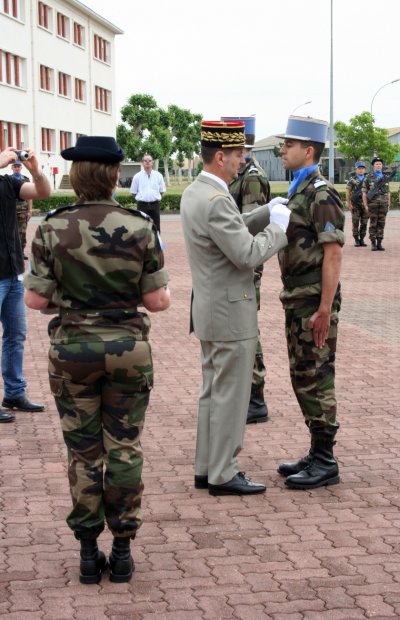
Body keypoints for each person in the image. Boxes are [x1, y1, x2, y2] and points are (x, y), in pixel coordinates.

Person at [24, 136, 170, 584]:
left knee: (83, 453)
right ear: (113, 176)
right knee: (124, 448)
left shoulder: (52, 227)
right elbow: (157, 300)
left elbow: (33, 299)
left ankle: (89, 554)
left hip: (72, 352)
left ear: (76, 176)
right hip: (128, 351)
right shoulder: (141, 225)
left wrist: (69, 303)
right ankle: (122, 551)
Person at [180, 120, 290, 496]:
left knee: (212, 390)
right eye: (240, 154)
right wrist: (277, 229)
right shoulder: (216, 199)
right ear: (221, 155)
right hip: (230, 310)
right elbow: (245, 253)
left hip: (211, 308)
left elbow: (228, 229)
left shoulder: (198, 192)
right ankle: (224, 473)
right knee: (231, 393)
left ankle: (207, 467)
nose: (243, 160)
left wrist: (261, 214)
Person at [275, 116, 345, 490]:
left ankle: (325, 459)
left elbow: (332, 255)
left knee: (316, 376)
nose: (283, 149)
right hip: (297, 298)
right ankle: (316, 450)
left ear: (309, 150)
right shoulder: (298, 190)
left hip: (312, 302)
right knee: (303, 376)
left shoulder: (321, 194)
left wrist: (324, 308)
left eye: (290, 144)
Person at [226, 116, 271, 424]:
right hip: (237, 263)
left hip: (246, 265)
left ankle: (255, 397)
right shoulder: (240, 175)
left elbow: (250, 224)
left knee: (247, 329)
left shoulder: (252, 177)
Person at [0, 147, 50, 423]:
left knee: (15, 335)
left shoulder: (9, 183)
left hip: (12, 273)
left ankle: (14, 392)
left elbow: (43, 192)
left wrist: (35, 170)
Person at [130, 154, 166, 232]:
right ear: (142, 162)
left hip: (155, 205)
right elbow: (133, 192)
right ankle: (143, 244)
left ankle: (156, 243)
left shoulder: (158, 176)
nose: (147, 162)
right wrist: (141, 198)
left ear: (152, 162)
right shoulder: (137, 176)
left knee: (156, 227)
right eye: (145, 161)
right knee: (142, 227)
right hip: (142, 206)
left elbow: (162, 191)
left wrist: (155, 198)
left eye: (149, 160)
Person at [362, 157, 390, 251]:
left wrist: (388, 203)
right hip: (372, 204)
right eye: (376, 164)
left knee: (381, 223)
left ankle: (379, 243)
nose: (378, 165)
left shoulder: (385, 178)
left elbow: (388, 192)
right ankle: (373, 243)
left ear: (382, 165)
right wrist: (365, 205)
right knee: (373, 223)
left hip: (384, 204)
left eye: (380, 164)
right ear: (373, 166)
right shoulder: (368, 177)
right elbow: (364, 192)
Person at [9, 160, 33, 260]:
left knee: (22, 233)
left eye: (18, 166)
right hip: (10, 211)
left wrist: (30, 210)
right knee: (10, 232)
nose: (17, 168)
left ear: (21, 167)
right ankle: (11, 253)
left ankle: (21, 252)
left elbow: (29, 196)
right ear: (12, 168)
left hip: (23, 211)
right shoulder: (8, 180)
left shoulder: (25, 180)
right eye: (15, 166)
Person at [345, 162, 368, 247]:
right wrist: (349, 204)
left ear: (364, 169)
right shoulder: (352, 179)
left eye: (362, 168)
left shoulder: (368, 179)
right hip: (355, 205)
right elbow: (347, 193)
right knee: (355, 223)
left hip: (365, 205)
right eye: (359, 168)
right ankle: (356, 240)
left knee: (364, 223)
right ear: (356, 169)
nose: (361, 170)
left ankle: (362, 239)